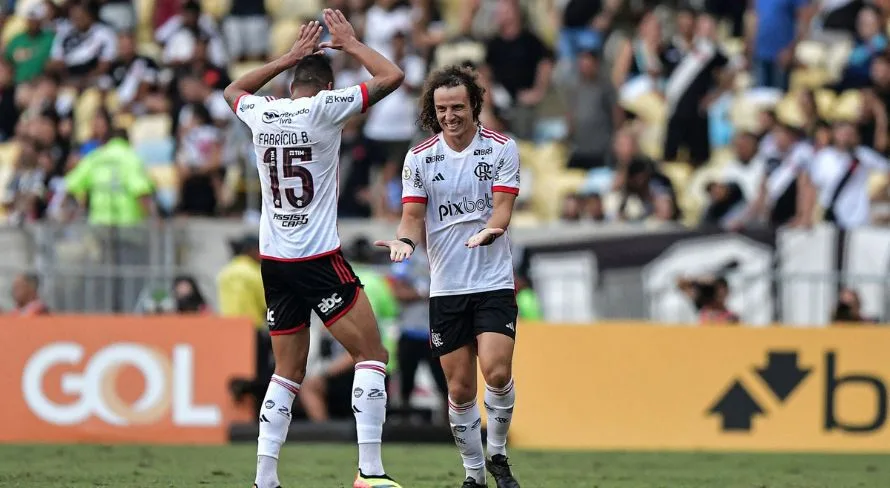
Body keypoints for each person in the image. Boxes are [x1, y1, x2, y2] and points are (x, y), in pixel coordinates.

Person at [223, 10, 405, 488]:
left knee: (287, 371)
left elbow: (232, 91)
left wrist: (287, 56)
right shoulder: (326, 108)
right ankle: (370, 472)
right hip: (317, 257)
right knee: (372, 354)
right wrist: (350, 43)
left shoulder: (262, 113)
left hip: (274, 261)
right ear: (327, 90)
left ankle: (265, 479)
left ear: (289, 86)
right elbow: (392, 76)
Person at [376, 66, 522, 488]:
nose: (450, 115)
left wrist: (492, 229)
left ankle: (497, 453)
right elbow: (411, 217)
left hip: (492, 280)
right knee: (459, 390)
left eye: (458, 107)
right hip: (447, 288)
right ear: (432, 110)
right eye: (442, 109)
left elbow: (502, 209)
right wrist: (404, 242)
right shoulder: (420, 158)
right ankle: (474, 474)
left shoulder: (500, 149)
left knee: (496, 372)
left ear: (475, 105)